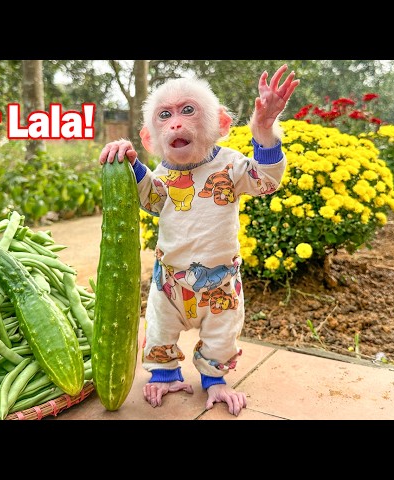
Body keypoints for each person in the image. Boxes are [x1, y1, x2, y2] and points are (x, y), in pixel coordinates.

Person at [98, 64, 300, 416]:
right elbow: (150, 199)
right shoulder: (162, 174)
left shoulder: (231, 166)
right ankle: (164, 374)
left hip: (219, 283)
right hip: (170, 284)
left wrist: (264, 128)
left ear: (219, 124)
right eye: (165, 115)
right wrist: (129, 163)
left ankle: (215, 381)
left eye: (187, 110)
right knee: (159, 329)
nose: (176, 122)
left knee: (222, 336)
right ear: (150, 138)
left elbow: (267, 180)